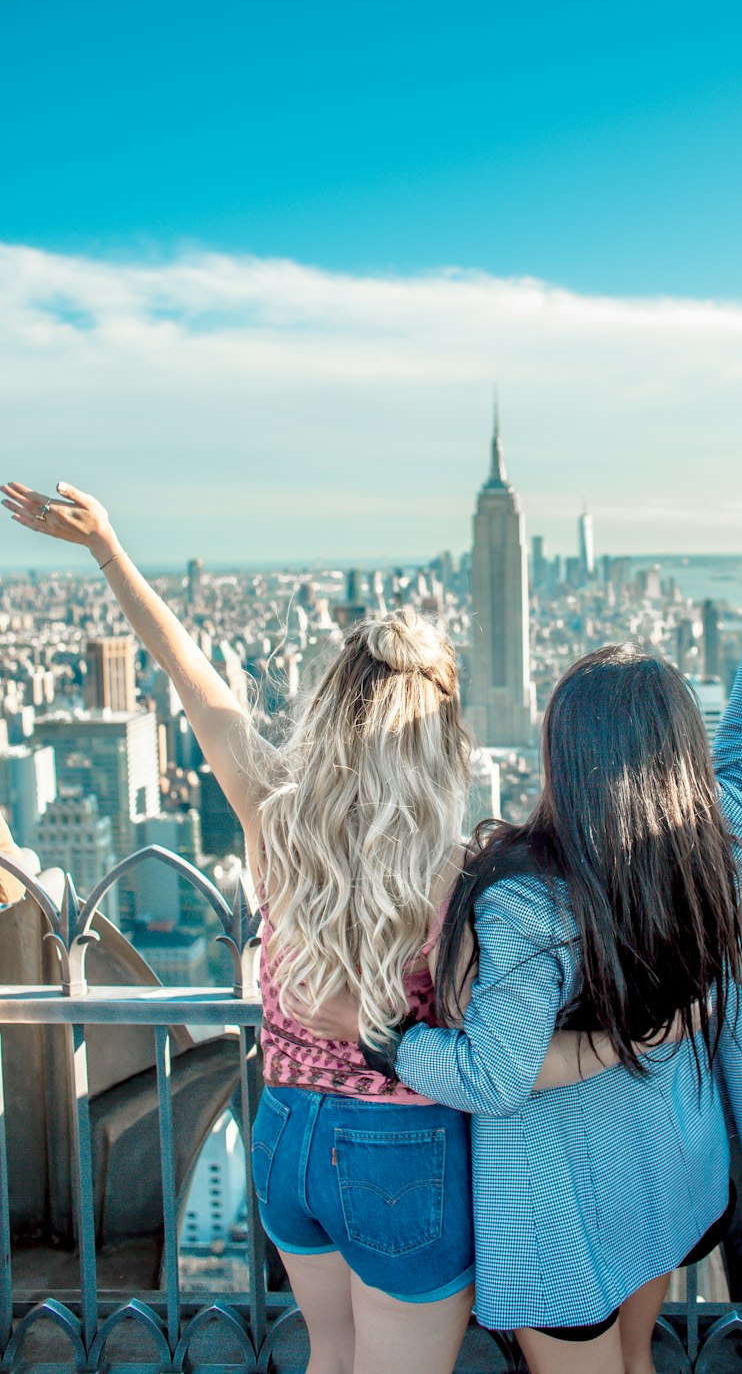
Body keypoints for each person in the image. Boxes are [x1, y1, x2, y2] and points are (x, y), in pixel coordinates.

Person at [1, 478, 600, 1374]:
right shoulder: (463, 873)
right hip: (402, 1149)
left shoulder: (276, 817)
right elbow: (490, 1056)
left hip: (284, 1135)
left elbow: (194, 682)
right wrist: (619, 1046)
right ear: (437, 731)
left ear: (335, 708)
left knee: (328, 1354)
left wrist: (109, 550)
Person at [322, 463, 742, 1374]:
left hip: (565, 1212)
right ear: (676, 755)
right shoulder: (717, 845)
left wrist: (384, 1041)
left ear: (561, 757)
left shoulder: (522, 897)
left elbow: (494, 1077)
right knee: (638, 1359)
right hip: (670, 1178)